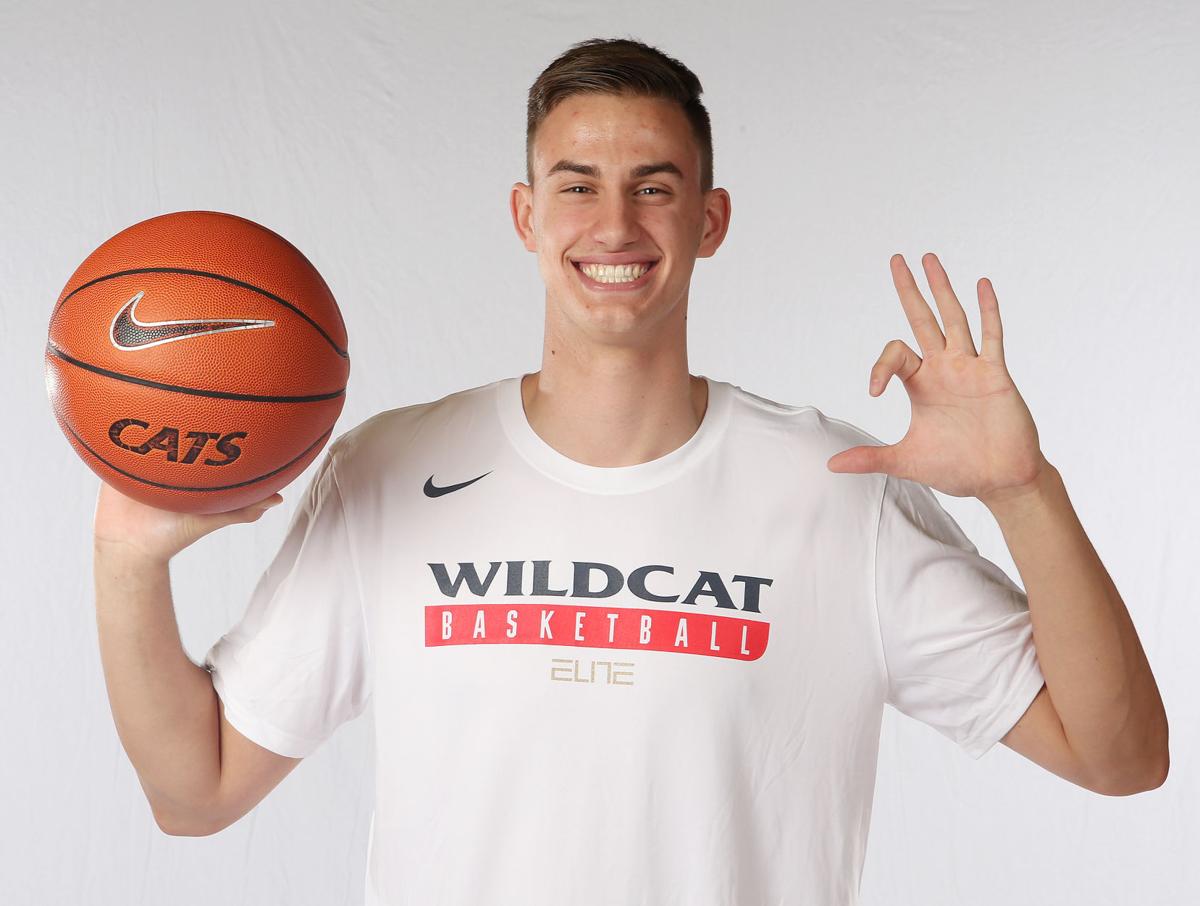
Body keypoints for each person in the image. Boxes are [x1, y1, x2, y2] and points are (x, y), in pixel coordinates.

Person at [92, 36, 1168, 906]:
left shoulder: (838, 487)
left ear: (710, 221)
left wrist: (1027, 493)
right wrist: (126, 556)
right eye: (577, 186)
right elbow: (197, 793)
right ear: (526, 215)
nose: (614, 224)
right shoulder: (389, 469)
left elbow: (1120, 757)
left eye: (655, 189)